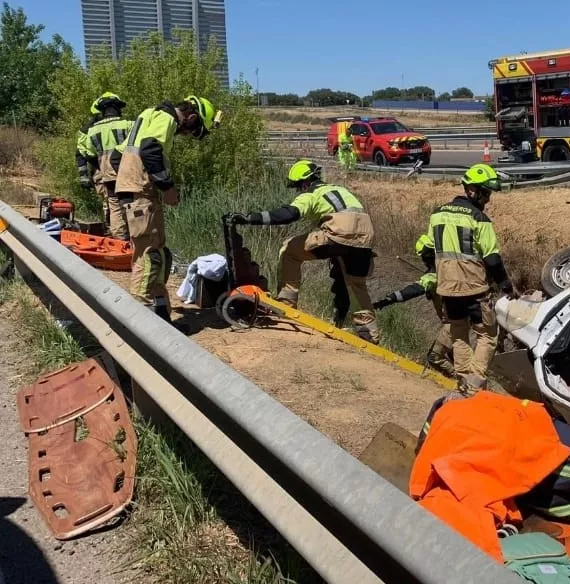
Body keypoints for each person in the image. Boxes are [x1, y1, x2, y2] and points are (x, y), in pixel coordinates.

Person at [230, 160, 380, 343]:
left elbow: (289, 214)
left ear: (304, 183)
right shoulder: (341, 190)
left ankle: (286, 303)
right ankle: (369, 331)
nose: (298, 192)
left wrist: (250, 218)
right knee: (356, 284)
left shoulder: (311, 194)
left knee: (289, 250)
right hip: (366, 238)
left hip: (338, 233)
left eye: (297, 187)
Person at [112, 95, 220, 329]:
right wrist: (167, 187)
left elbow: (115, 156)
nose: (188, 135)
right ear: (191, 117)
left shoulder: (148, 115)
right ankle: (140, 324)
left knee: (160, 256)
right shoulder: (166, 118)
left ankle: (162, 320)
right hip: (141, 194)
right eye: (193, 130)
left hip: (139, 193)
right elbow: (150, 150)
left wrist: (127, 182)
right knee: (149, 257)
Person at [426, 163, 514, 393]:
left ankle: (464, 382)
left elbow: (427, 249)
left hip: (447, 287)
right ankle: (474, 383)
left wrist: (435, 272)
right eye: (485, 193)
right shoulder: (479, 218)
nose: (488, 199)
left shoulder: (437, 214)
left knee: (458, 333)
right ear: (472, 190)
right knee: (487, 335)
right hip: (474, 287)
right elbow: (492, 258)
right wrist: (506, 285)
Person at [373, 234, 454, 377]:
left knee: (435, 357)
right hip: (457, 323)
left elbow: (413, 290)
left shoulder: (434, 275)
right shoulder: (449, 268)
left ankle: (461, 382)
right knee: (456, 358)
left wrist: (387, 300)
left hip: (453, 325)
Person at [79, 92, 133, 239]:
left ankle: (119, 239)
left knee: (114, 205)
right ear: (117, 108)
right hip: (128, 173)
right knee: (131, 205)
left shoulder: (92, 131)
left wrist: (101, 166)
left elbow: (88, 154)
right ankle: (135, 238)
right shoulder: (128, 124)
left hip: (107, 174)